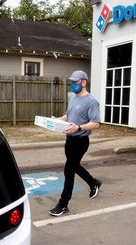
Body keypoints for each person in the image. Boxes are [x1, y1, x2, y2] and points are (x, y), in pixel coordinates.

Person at [49, 70, 102, 217]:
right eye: (72, 82)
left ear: (84, 82)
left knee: (69, 170)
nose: (73, 85)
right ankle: (93, 183)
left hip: (81, 141)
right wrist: (58, 119)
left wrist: (79, 127)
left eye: (76, 82)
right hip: (69, 139)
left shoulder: (91, 101)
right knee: (75, 166)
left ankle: (63, 204)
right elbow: (69, 115)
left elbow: (96, 123)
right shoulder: (72, 98)